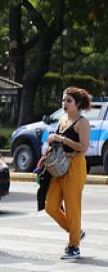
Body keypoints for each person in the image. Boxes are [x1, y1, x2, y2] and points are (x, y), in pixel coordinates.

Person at [43, 87, 91, 259]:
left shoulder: (82, 122)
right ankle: (76, 232)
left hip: (75, 165)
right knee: (50, 206)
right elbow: (57, 143)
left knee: (72, 207)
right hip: (59, 165)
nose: (64, 104)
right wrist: (50, 144)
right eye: (63, 100)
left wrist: (62, 139)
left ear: (77, 104)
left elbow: (84, 147)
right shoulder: (62, 119)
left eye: (68, 101)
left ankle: (74, 246)